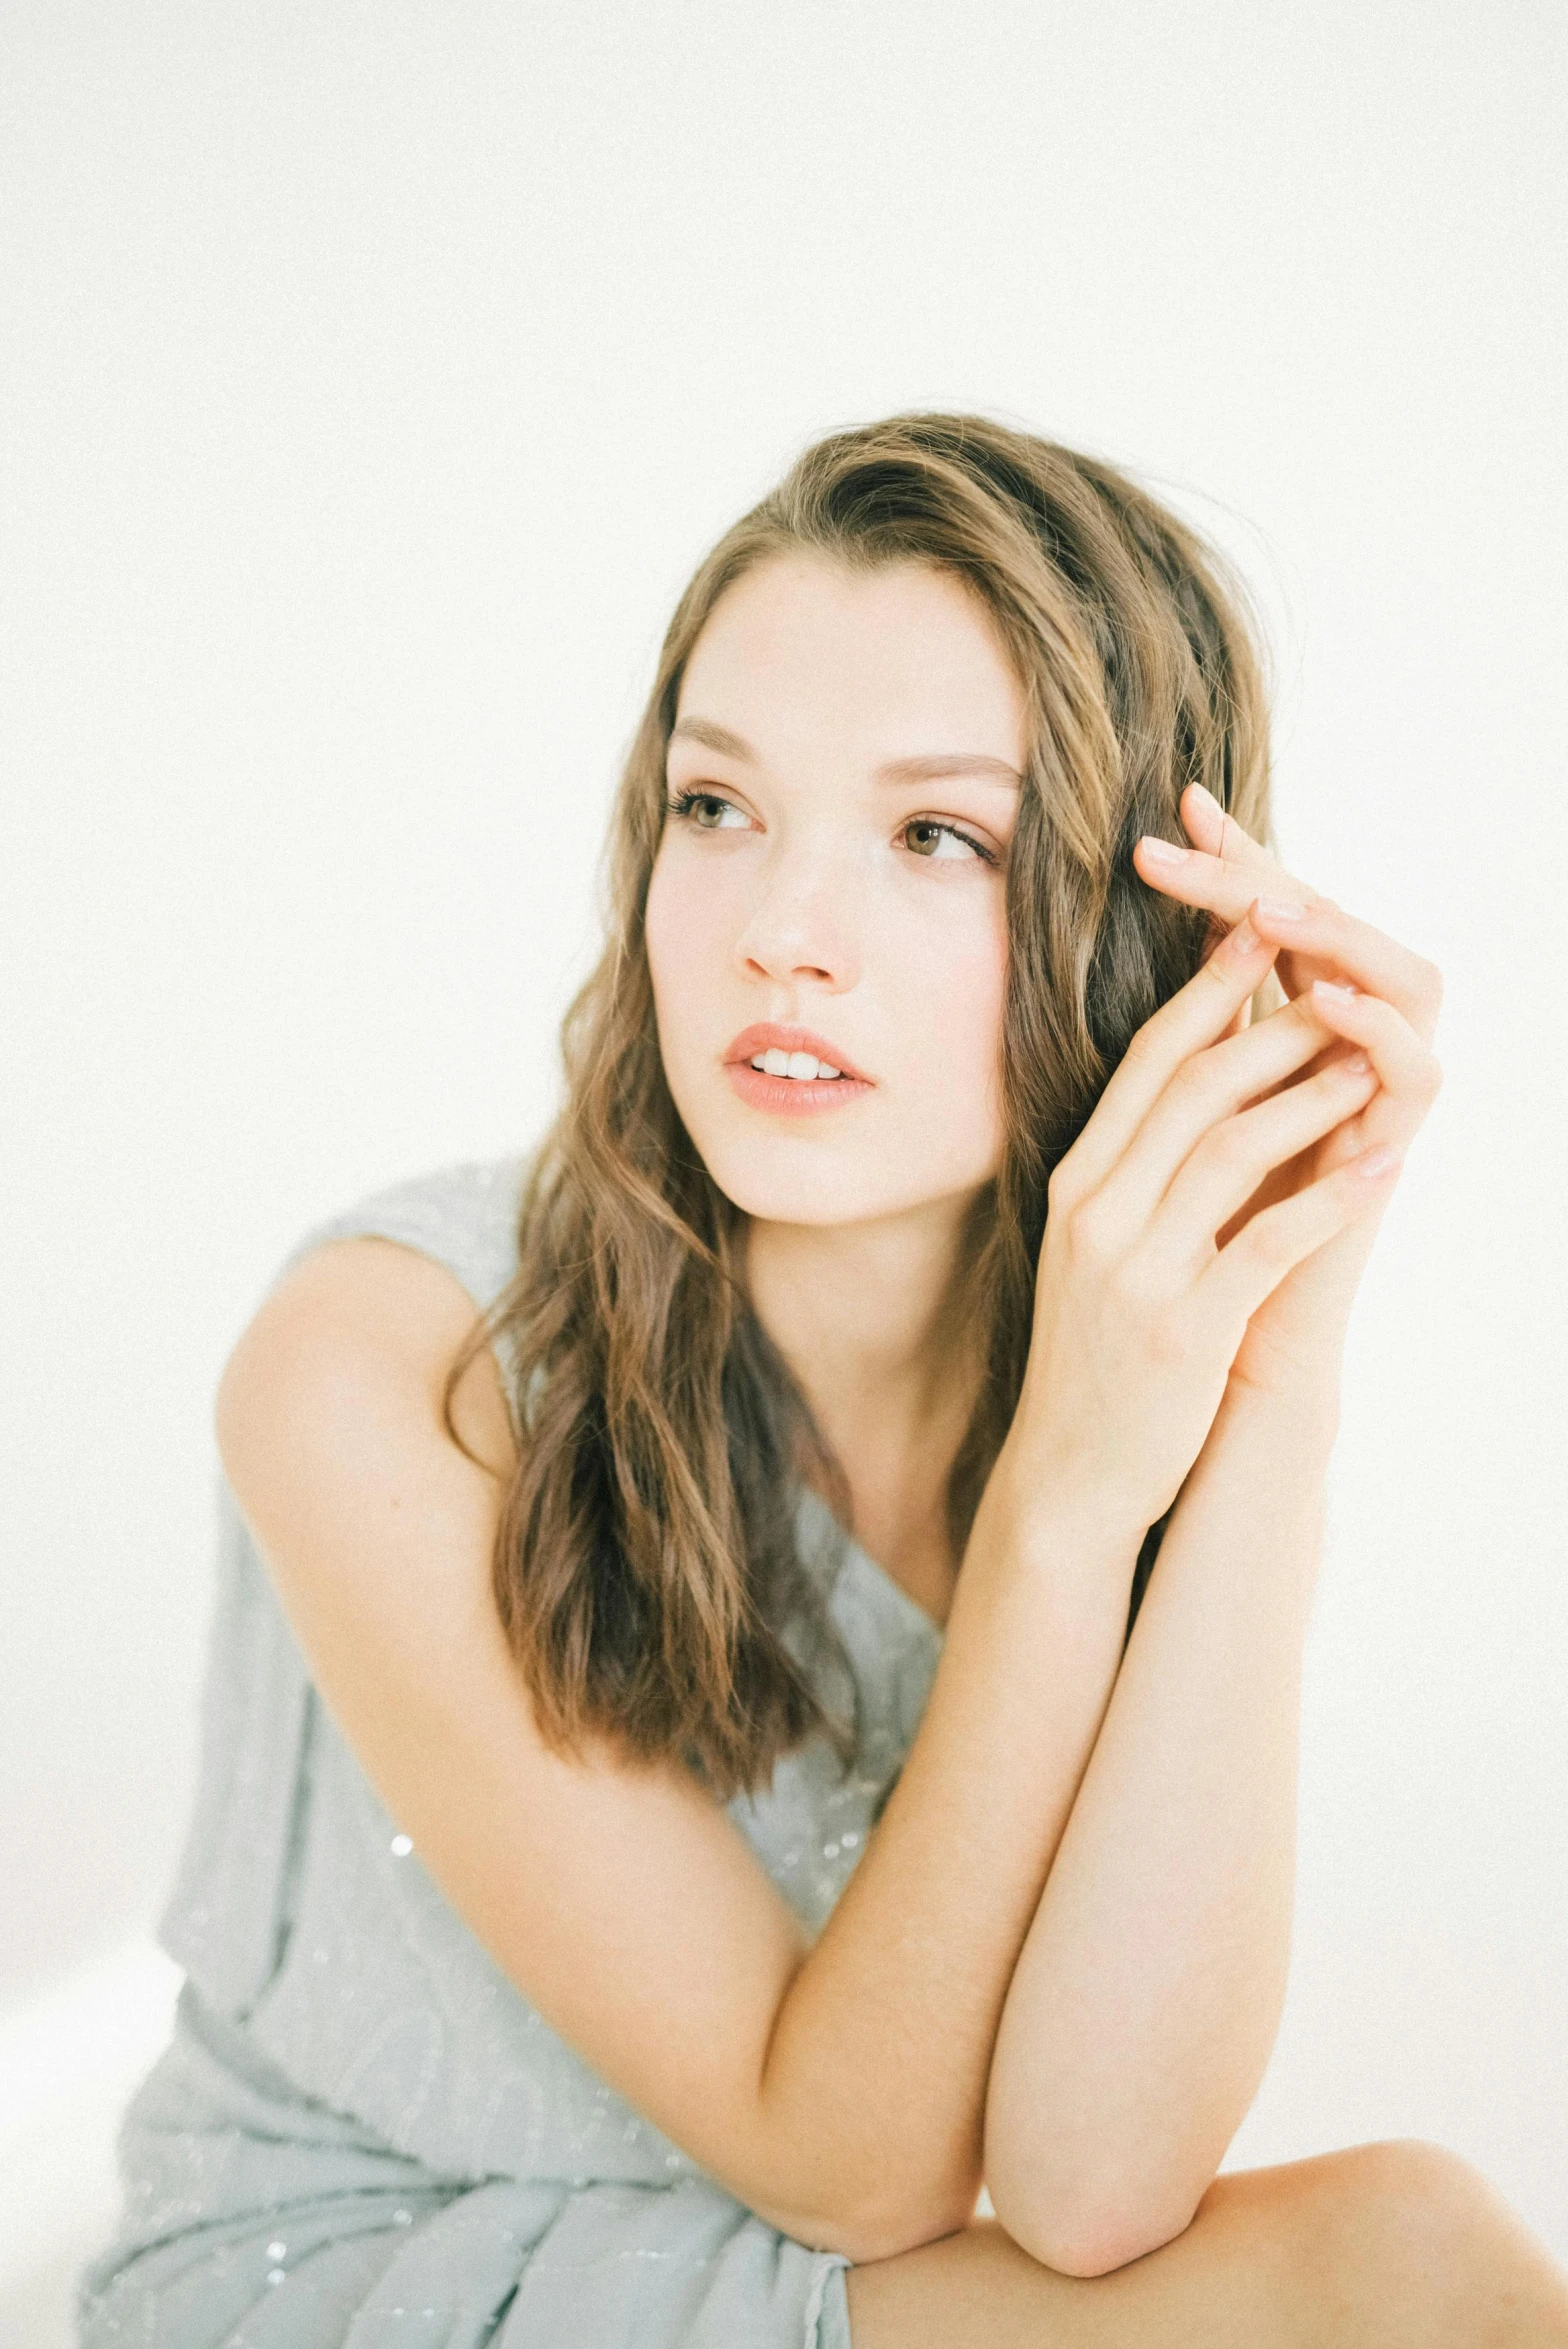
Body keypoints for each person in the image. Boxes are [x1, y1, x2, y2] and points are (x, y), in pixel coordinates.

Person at [79, 412, 1568, 2348]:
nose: (784, 934)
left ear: (1153, 929)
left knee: (1418, 2253)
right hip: (366, 2278)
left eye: (938, 836)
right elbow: (848, 2160)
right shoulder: (381, 1363)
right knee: (1410, 2268)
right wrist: (1060, 1508)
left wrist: (1281, 1353)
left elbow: (1094, 2182)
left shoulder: (1121, 1372)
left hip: (803, 2284)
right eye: (719, 807)